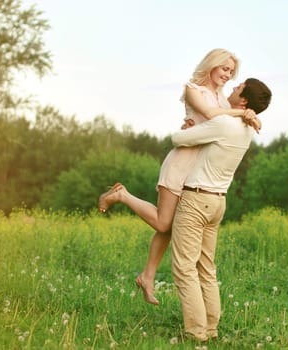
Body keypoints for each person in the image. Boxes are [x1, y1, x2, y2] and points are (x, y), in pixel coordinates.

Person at [98, 49, 260, 305]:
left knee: (173, 226)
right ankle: (122, 195)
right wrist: (242, 113)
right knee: (164, 223)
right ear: (211, 65)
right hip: (182, 162)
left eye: (231, 72)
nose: (227, 75)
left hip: (200, 172)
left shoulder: (226, 100)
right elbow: (210, 115)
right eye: (224, 69)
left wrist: (248, 112)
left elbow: (232, 117)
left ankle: (147, 276)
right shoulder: (193, 89)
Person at [168, 78, 272, 341]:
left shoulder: (224, 123)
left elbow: (177, 138)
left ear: (244, 100)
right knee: (206, 267)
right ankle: (211, 329)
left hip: (195, 200)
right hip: (217, 203)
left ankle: (196, 333)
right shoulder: (247, 129)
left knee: (185, 268)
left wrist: (189, 127)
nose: (233, 88)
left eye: (238, 88)